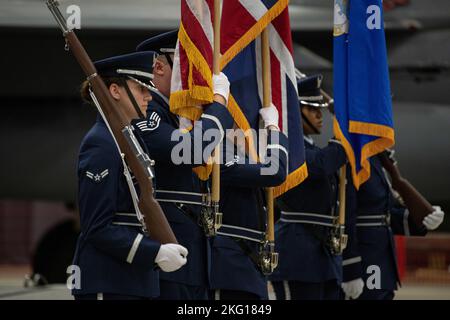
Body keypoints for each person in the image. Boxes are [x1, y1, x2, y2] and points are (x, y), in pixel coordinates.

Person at [72, 51, 188, 300]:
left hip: (135, 281)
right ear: (115, 91)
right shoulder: (101, 144)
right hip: (110, 281)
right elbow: (97, 226)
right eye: (140, 89)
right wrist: (153, 252)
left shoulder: (129, 140)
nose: (149, 96)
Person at [134, 31, 234, 300]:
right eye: (188, 67)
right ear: (159, 67)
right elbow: (191, 151)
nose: (196, 76)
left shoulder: (183, 116)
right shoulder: (150, 113)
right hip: (169, 247)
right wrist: (219, 103)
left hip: (193, 252)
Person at [269, 74, 347, 300]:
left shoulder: (310, 146)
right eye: (313, 110)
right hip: (297, 253)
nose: (320, 116)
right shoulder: (290, 147)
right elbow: (321, 165)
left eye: (320, 109)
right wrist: (344, 135)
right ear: (296, 112)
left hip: (322, 252)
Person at [209, 102, 289, 300]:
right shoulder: (218, 150)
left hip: (249, 266)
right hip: (229, 267)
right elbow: (274, 172)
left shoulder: (246, 153)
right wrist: (274, 130)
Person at [341, 150, 445, 300]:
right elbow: (347, 216)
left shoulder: (378, 160)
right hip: (366, 258)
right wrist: (350, 267)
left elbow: (385, 213)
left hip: (383, 256)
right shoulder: (354, 157)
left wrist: (423, 219)